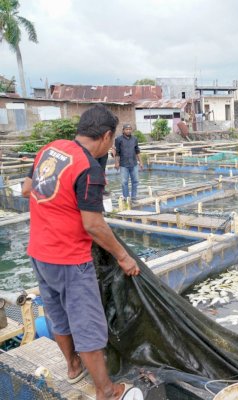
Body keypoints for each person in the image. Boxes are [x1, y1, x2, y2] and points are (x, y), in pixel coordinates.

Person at [22, 105, 142, 399]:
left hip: (39, 252)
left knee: (57, 315)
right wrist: (123, 257)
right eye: (111, 140)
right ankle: (107, 391)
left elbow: (27, 188)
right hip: (70, 260)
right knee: (87, 324)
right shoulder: (89, 169)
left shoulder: (50, 149)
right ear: (105, 136)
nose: (111, 145)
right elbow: (93, 225)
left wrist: (58, 206)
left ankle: (73, 367)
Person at [114, 123, 143, 200]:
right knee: (124, 182)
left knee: (135, 181)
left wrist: (141, 162)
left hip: (134, 163)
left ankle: (133, 197)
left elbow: (137, 151)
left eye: (130, 129)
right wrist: (116, 162)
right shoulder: (118, 139)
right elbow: (117, 152)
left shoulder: (135, 139)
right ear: (123, 130)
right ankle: (126, 198)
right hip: (123, 164)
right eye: (126, 129)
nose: (128, 131)